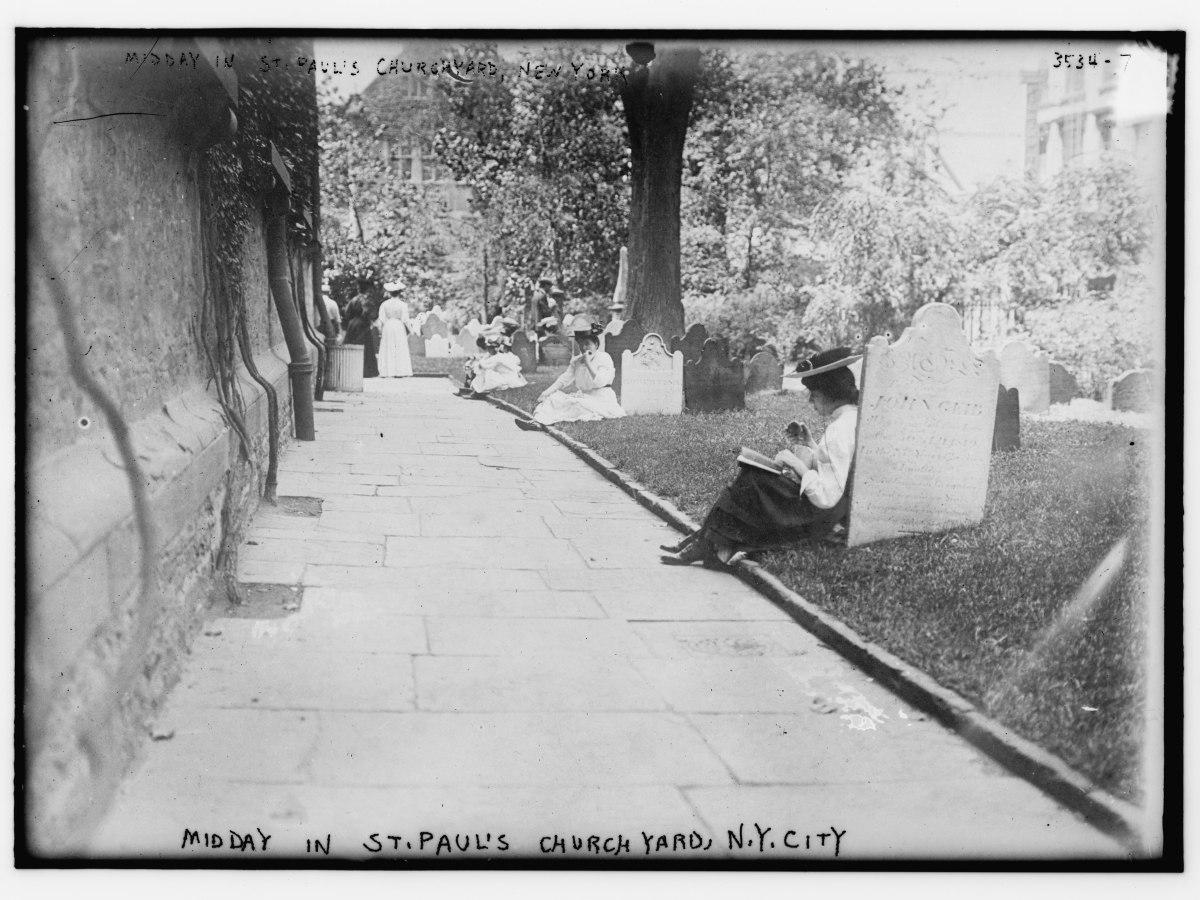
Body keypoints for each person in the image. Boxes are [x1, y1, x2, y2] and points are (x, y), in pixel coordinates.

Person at [660, 347, 860, 567]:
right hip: (827, 513)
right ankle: (712, 546)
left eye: (813, 397)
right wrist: (808, 444)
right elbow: (832, 466)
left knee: (752, 479)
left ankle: (709, 545)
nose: (811, 403)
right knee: (753, 478)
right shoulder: (850, 420)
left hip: (818, 519)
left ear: (824, 394)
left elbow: (825, 497)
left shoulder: (839, 431)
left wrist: (796, 464)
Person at [515, 316, 625, 431]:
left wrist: (588, 363)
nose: (584, 347)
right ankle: (536, 423)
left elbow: (600, 381)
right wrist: (546, 392)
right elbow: (564, 380)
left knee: (574, 405)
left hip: (601, 400)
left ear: (596, 345)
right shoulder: (577, 361)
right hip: (584, 396)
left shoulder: (603, 357)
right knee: (553, 399)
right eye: (581, 344)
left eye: (587, 344)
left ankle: (540, 423)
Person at [457, 334, 527, 398]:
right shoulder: (496, 355)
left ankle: (477, 392)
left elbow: (483, 365)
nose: (488, 350)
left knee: (486, 372)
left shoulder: (498, 357)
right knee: (482, 370)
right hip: (505, 379)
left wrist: (475, 363)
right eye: (488, 348)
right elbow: (484, 360)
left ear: (496, 348)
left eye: (490, 348)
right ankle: (473, 389)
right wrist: (476, 359)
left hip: (508, 380)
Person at [375, 281, 413, 378]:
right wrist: (411, 330)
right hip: (398, 326)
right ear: (399, 293)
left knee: (389, 347)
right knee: (398, 346)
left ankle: (388, 371)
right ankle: (399, 371)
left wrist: (381, 329)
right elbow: (405, 319)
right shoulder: (402, 304)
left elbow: (382, 318)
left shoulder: (384, 304)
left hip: (388, 326)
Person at [343, 291, 379, 378]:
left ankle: (352, 370)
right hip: (363, 324)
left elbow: (347, 312)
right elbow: (372, 314)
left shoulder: (353, 300)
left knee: (352, 345)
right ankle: (367, 372)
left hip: (353, 324)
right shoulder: (366, 300)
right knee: (366, 347)